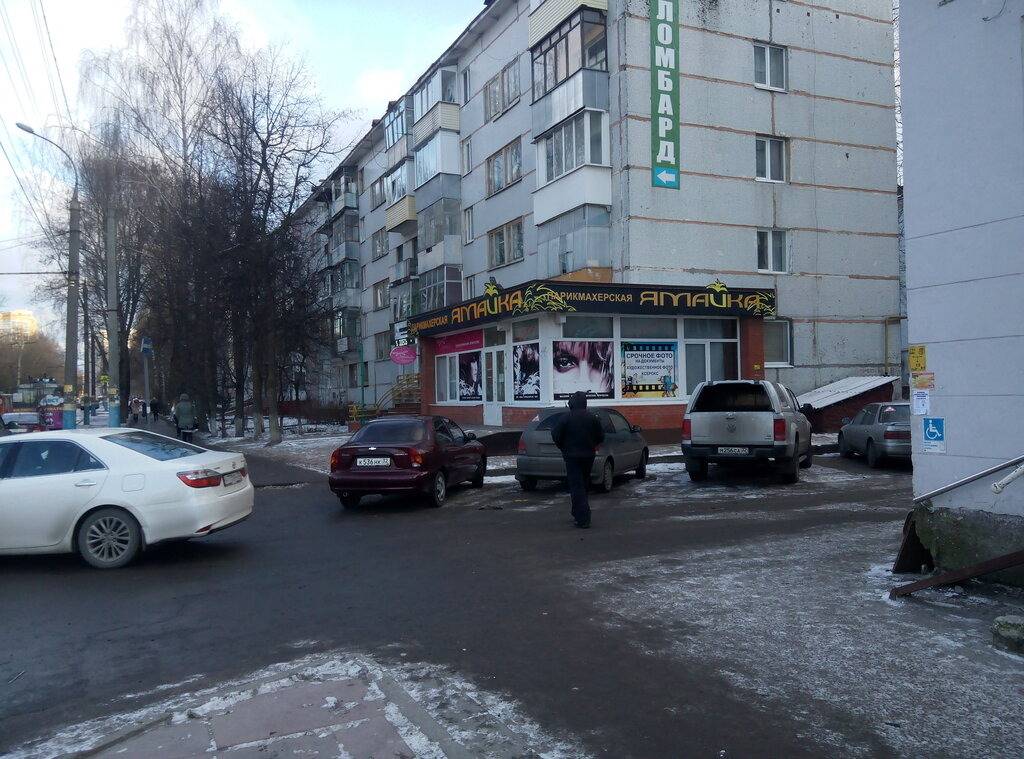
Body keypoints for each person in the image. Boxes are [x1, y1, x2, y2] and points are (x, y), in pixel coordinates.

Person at [551, 391, 605, 529]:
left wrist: (563, 447)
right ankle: (578, 513)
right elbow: (600, 436)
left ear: (571, 404)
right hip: (588, 455)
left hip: (571, 456)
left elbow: (555, 434)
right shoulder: (593, 418)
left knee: (576, 486)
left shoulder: (566, 418)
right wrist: (591, 444)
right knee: (584, 484)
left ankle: (583, 518)